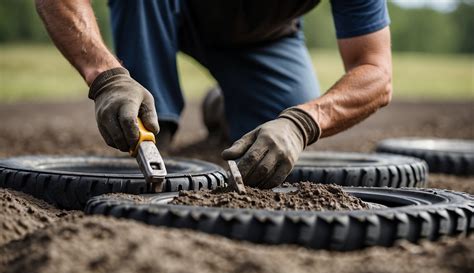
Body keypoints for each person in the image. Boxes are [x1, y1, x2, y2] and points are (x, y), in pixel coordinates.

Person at [35, 0, 392, 189]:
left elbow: (376, 70)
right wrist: (106, 77)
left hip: (264, 38)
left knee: (273, 135)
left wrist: (302, 122)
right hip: (162, 9)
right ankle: (151, 133)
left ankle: (223, 106)